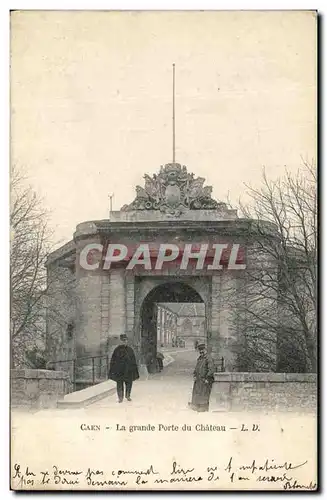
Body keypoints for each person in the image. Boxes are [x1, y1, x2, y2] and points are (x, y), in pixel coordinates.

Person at [108, 334, 139, 403]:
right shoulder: (117, 350)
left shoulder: (130, 350)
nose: (124, 342)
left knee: (129, 383)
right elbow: (113, 361)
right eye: (123, 341)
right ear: (120, 341)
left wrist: (133, 369)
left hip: (128, 370)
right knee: (119, 384)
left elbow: (133, 360)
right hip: (120, 371)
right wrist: (113, 370)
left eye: (125, 340)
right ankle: (120, 398)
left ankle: (128, 396)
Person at [189, 343, 215, 412]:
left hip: (205, 379)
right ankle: (196, 405)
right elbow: (196, 368)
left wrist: (208, 378)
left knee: (204, 393)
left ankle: (203, 407)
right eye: (200, 351)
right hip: (198, 379)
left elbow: (211, 369)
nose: (201, 352)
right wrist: (194, 375)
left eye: (202, 350)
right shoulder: (200, 358)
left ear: (205, 350)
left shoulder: (208, 358)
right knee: (197, 392)